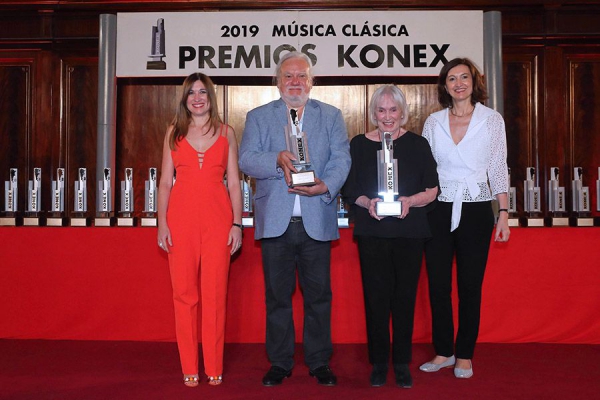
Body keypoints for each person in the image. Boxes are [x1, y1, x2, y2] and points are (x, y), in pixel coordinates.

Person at [238, 51, 351, 387]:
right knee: (277, 297)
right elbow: (245, 159)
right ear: (278, 82)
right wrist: (276, 158)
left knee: (319, 297)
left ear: (311, 81)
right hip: (276, 221)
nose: (295, 82)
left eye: (302, 75)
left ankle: (318, 362)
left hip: (316, 219)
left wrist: (325, 186)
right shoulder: (258, 117)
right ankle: (280, 362)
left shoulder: (331, 116)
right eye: (288, 75)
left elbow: (342, 158)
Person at [342, 85, 439, 388]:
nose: (387, 116)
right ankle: (379, 362)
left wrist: (409, 201)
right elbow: (349, 189)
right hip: (373, 233)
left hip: (410, 234)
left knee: (405, 299)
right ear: (374, 113)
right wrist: (367, 203)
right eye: (381, 110)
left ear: (402, 112)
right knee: (376, 299)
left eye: (393, 110)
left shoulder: (419, 144)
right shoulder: (358, 144)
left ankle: (401, 362)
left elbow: (433, 190)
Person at [419, 58, 510, 379]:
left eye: (464, 77)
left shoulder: (491, 120)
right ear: (444, 86)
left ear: (474, 81)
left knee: (470, 285)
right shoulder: (433, 122)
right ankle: (444, 351)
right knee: (438, 286)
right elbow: (425, 169)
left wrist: (503, 212)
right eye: (451, 78)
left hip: (476, 208)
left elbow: (498, 167)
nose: (459, 83)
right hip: (438, 208)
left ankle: (465, 355)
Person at [157, 72, 243, 387]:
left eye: (202, 92)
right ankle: (189, 366)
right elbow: (165, 182)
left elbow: (234, 182)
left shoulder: (227, 132)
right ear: (185, 98)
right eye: (191, 92)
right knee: (184, 295)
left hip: (219, 221)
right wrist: (161, 222)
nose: (197, 97)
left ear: (210, 97)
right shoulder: (172, 133)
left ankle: (215, 365)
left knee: (215, 295)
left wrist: (237, 223)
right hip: (180, 221)